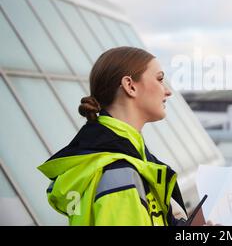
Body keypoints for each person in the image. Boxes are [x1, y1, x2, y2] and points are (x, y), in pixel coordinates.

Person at [38, 46, 188, 225]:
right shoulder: (119, 173)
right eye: (160, 79)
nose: (168, 91)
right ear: (130, 86)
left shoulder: (122, 159)